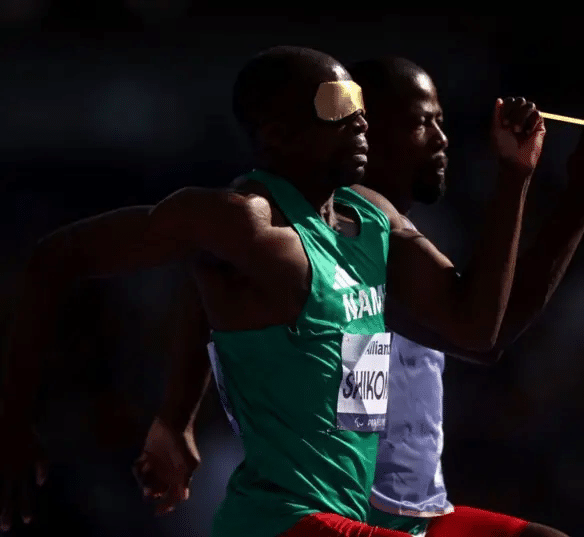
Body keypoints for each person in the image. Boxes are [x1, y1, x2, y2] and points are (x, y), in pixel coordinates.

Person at [0, 46, 546, 537]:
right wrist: (15, 422)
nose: (361, 120)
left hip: (354, 514)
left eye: (361, 105)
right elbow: (55, 258)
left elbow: (476, 328)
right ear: (277, 133)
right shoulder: (242, 223)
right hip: (282, 522)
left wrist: (515, 175)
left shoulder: (371, 221)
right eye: (337, 104)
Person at [131, 56, 584, 537]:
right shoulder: (339, 249)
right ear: (372, 133)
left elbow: (484, 328)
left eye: (441, 122)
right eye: (421, 124)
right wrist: (175, 418)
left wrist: (577, 202)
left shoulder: (385, 237)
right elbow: (484, 336)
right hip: (354, 513)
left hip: (411, 507)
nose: (442, 140)